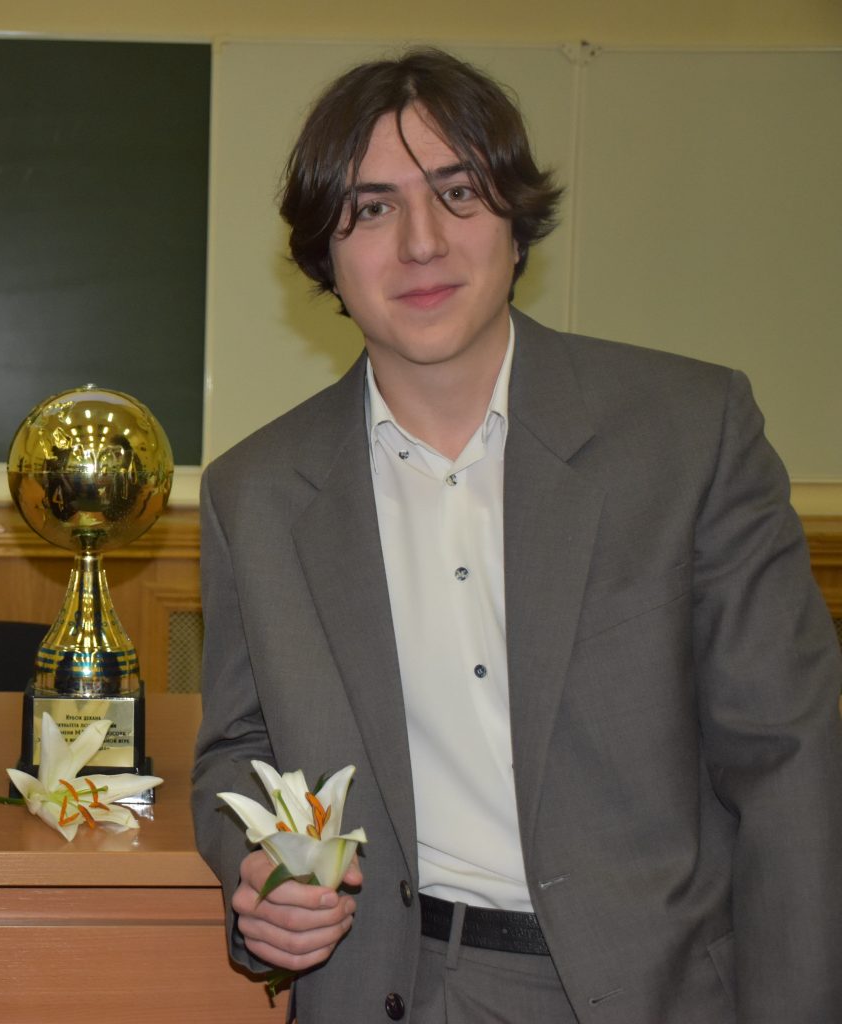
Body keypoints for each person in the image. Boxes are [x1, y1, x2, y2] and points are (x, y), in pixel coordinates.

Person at [191, 48, 841, 1022]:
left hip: (662, 988)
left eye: (457, 193)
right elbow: (241, 747)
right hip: (395, 983)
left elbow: (789, 762)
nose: (421, 243)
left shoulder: (687, 434)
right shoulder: (257, 493)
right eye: (372, 208)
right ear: (326, 252)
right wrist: (263, 872)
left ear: (514, 218)